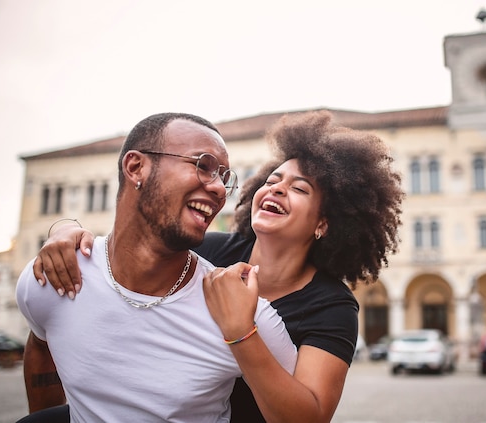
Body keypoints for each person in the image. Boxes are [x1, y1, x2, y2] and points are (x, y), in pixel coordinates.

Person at [34, 111, 405, 422]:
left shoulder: (332, 307)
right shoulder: (208, 250)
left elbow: (312, 415)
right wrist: (66, 230)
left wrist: (241, 331)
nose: (276, 189)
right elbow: (129, 248)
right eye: (272, 180)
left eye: (299, 188)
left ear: (324, 223)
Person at [16, 112, 297, 422]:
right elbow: (41, 344)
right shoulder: (55, 276)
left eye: (224, 177)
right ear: (136, 167)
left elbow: (298, 414)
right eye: (202, 166)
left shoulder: (245, 314)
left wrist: (242, 334)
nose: (219, 189)